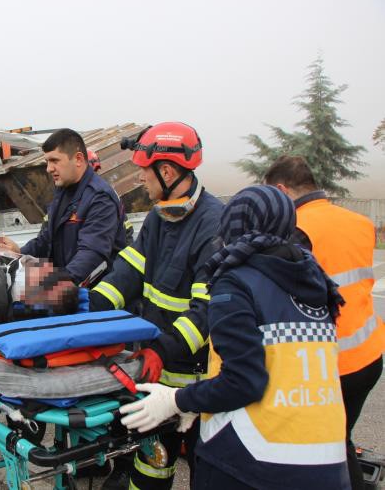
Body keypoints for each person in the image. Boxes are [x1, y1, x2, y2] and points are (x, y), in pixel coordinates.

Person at [120, 185, 350, 490]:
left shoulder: (236, 283)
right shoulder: (316, 283)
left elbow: (243, 381)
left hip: (255, 459)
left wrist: (178, 400)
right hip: (327, 464)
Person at [89, 122, 223, 489]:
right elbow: (127, 272)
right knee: (151, 465)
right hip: (154, 371)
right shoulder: (159, 215)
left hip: (194, 385)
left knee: (205, 471)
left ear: (167, 171)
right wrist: (89, 306)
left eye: (144, 173)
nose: (140, 181)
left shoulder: (213, 225)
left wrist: (161, 351)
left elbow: (206, 313)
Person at [264, 156, 385, 490]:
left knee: (322, 450)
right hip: (370, 355)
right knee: (340, 440)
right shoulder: (360, 223)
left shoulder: (295, 231)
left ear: (280, 190)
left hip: (329, 365)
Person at [12, 128, 126, 285]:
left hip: (93, 298)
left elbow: (91, 256)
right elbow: (46, 241)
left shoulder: (100, 198)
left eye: (55, 161)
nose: (48, 168)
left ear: (78, 159)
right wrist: (18, 253)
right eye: (47, 162)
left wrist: (54, 284)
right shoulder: (63, 192)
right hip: (66, 288)